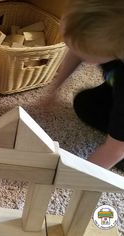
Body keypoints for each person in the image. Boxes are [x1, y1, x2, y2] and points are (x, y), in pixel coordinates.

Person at [49, 0, 124, 170]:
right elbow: (76, 50)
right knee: (85, 104)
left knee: (114, 152)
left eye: (86, 56)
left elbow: (116, 150)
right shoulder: (106, 34)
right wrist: (54, 89)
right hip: (115, 85)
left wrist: (76, 177)